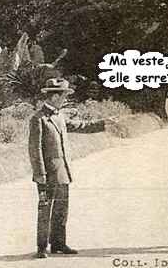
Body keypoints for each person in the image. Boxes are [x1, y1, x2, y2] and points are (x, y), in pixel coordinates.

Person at [28, 78, 108, 259]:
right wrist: (40, 174)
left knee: (61, 209)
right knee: (45, 210)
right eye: (64, 96)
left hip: (63, 172)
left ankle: (58, 243)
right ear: (55, 96)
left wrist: (104, 123)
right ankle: (42, 247)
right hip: (47, 173)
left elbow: (79, 125)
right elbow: (35, 150)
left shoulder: (59, 116)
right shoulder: (38, 119)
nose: (65, 99)